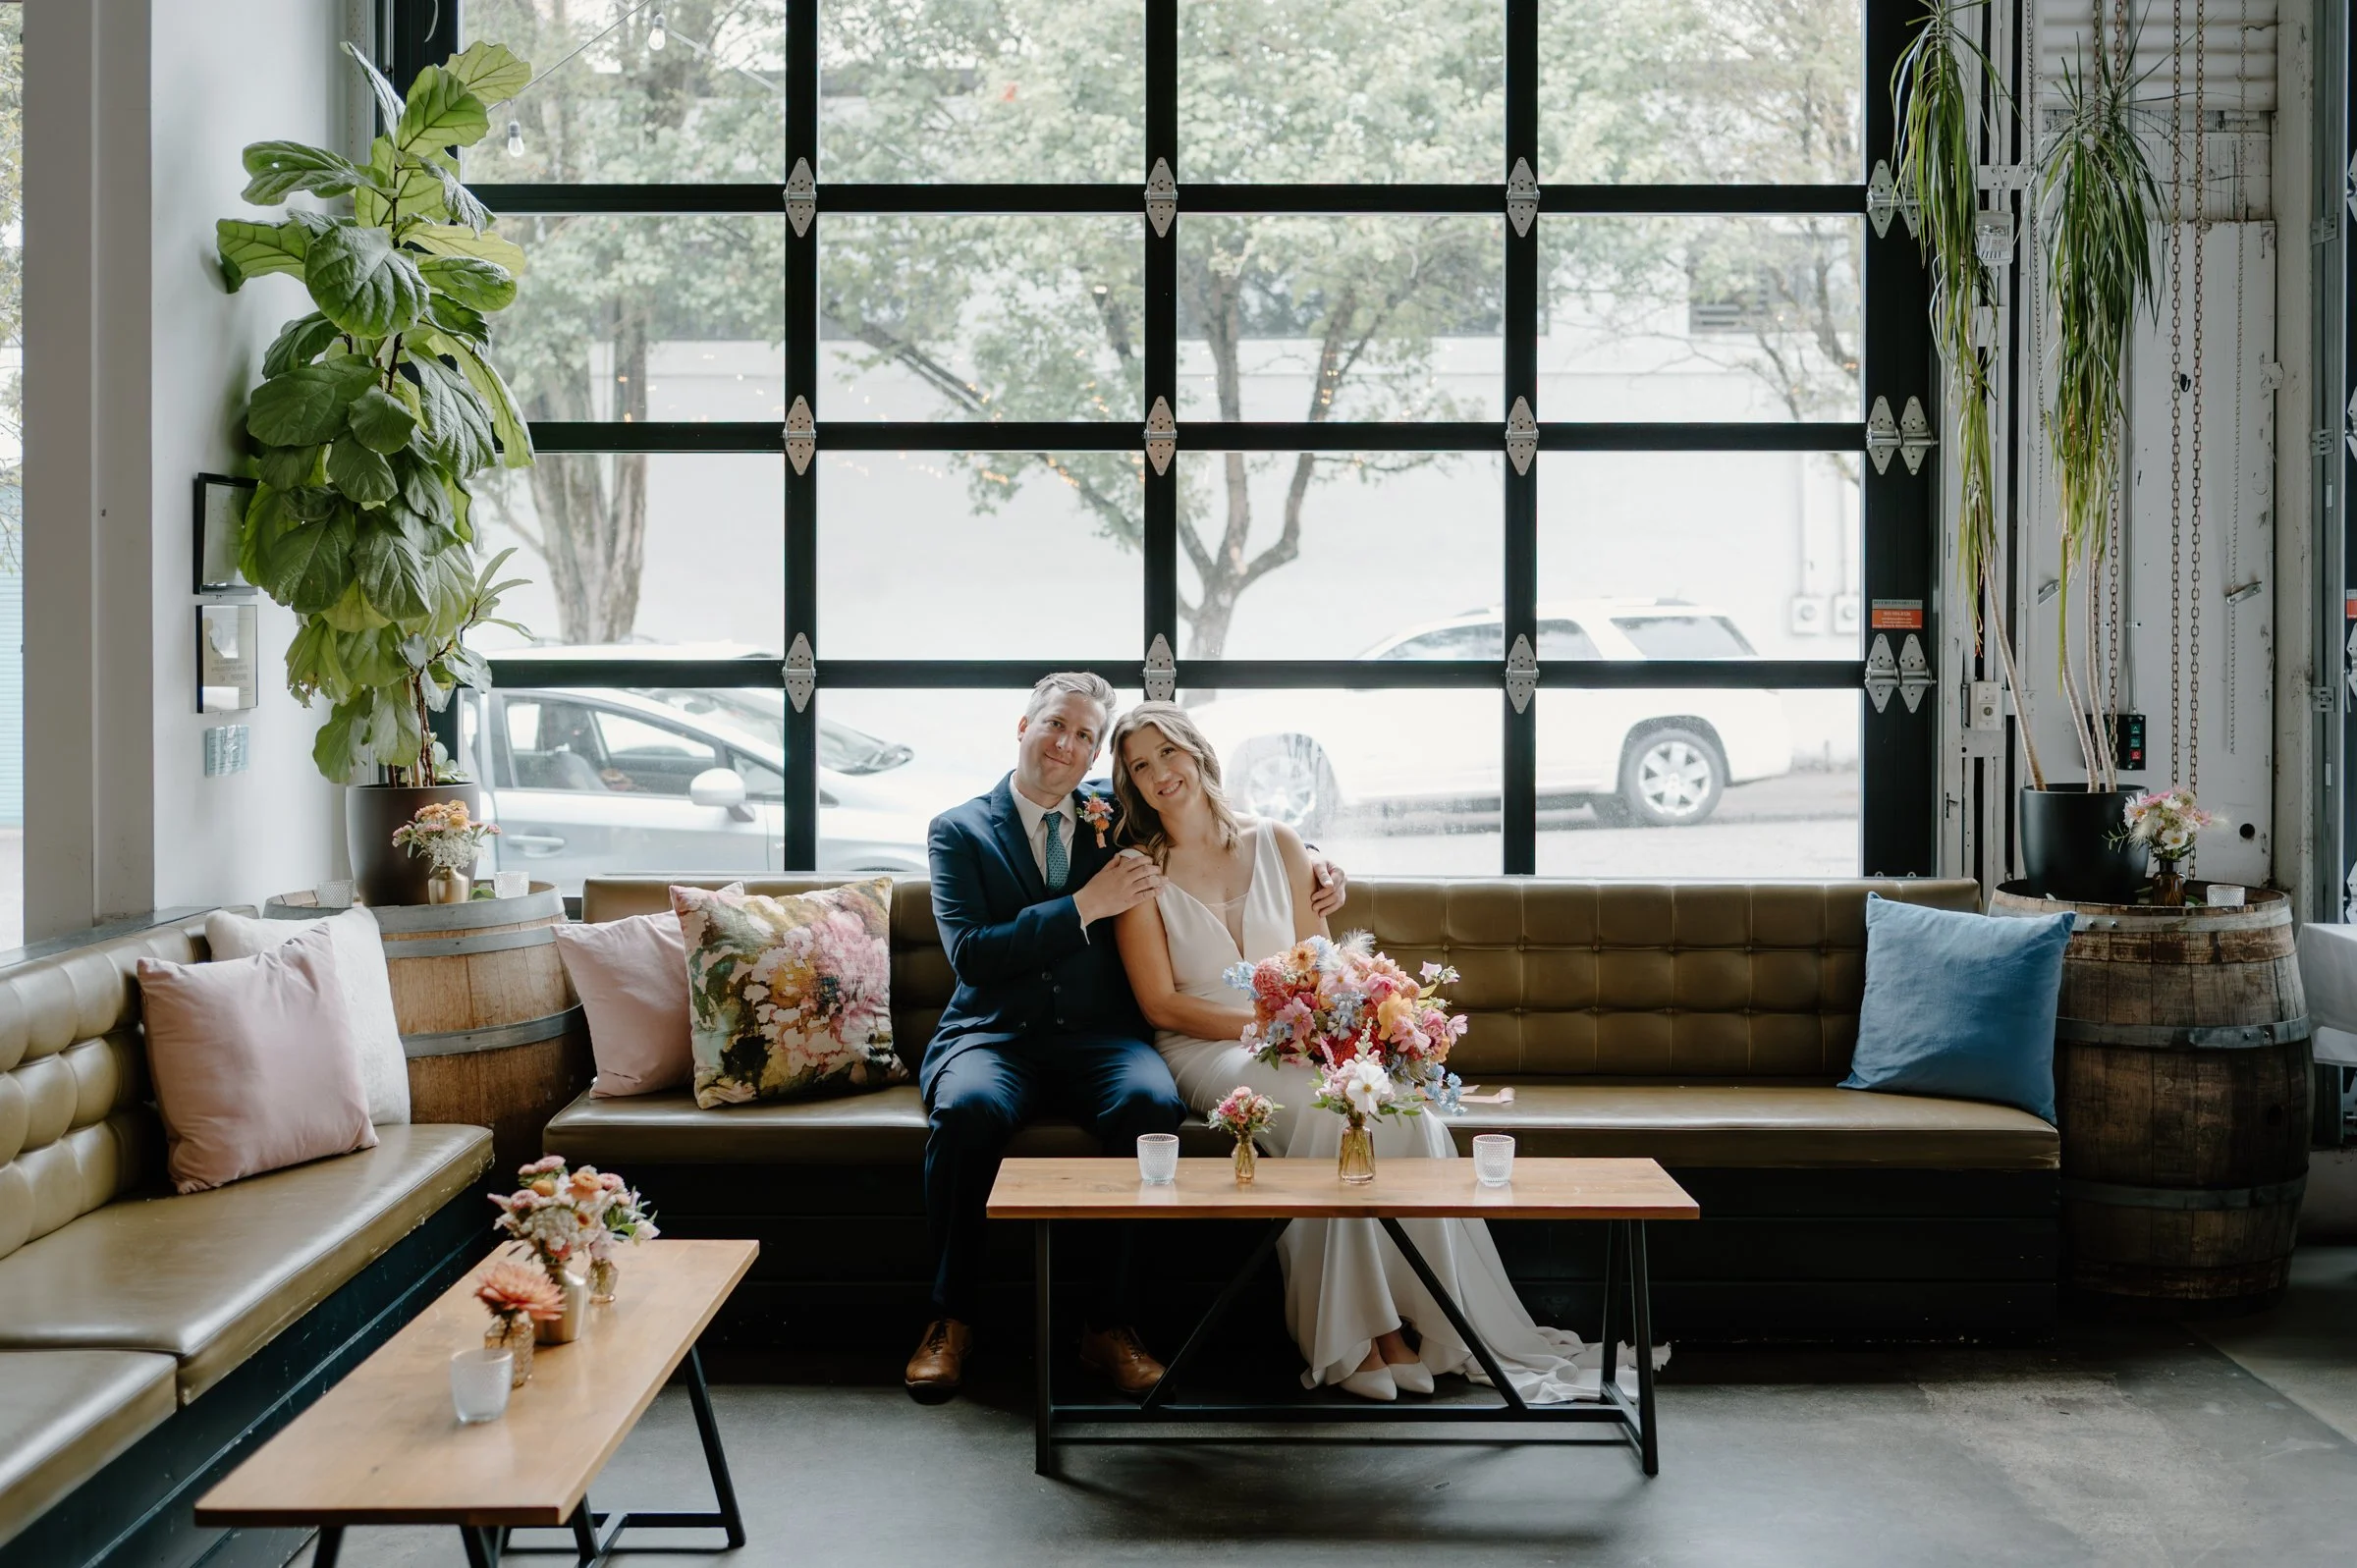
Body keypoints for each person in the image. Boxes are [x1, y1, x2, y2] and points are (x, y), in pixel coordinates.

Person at [1109, 700, 1616, 1404]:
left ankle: (1419, 1323)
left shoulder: (1280, 842)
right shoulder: (1137, 871)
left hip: (1296, 1035)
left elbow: (1319, 962)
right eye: (1140, 765)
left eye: (1169, 753)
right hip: (1206, 1047)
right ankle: (1355, 1338)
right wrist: (1262, 1031)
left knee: (1406, 1117)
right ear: (1129, 785)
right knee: (1323, 1115)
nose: (1160, 773)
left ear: (1198, 753)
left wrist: (1317, 1029)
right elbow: (1159, 1004)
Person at [906, 674, 1347, 1404]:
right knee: (967, 1113)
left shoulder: (1112, 816)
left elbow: (1209, 828)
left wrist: (1318, 862)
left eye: (1084, 736)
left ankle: (1110, 1325)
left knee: (1149, 1106)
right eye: (1055, 725)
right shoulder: (958, 829)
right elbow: (973, 957)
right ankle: (949, 1318)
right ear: (1023, 724)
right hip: (993, 1036)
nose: (1066, 745)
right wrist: (1084, 904)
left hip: (1101, 1037)